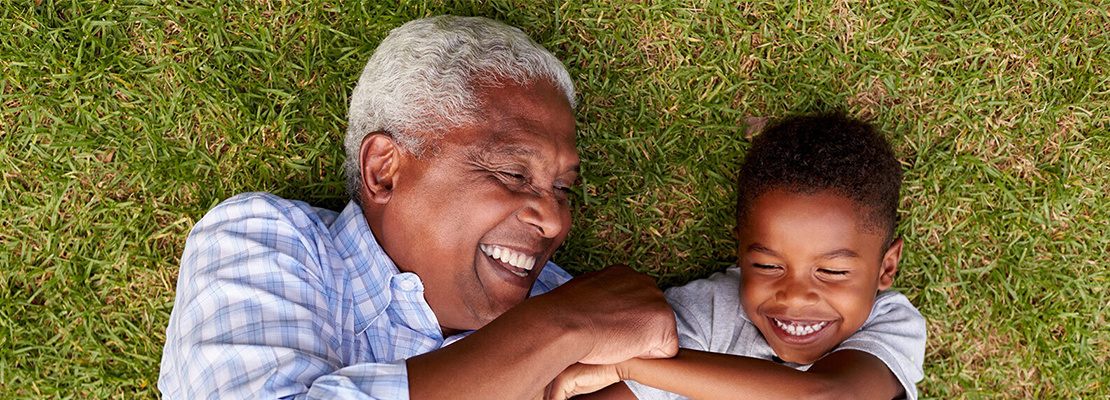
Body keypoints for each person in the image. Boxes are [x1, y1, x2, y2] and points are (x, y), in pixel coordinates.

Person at [158, 15, 678, 400]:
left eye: (563, 188)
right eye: (514, 174)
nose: (554, 220)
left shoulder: (582, 305)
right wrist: (557, 330)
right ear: (385, 169)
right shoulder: (262, 241)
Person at [544, 113, 926, 400]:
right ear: (741, 253)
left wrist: (630, 364)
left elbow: (827, 396)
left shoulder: (890, 326)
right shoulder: (711, 315)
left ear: (886, 267)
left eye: (831, 271)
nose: (794, 296)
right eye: (768, 266)